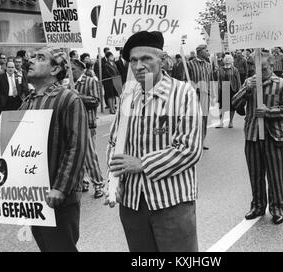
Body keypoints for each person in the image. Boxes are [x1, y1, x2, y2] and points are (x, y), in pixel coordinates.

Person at [105, 31, 203, 252]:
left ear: (163, 60)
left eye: (146, 58)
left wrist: (142, 164)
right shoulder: (128, 95)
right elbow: (113, 143)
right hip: (132, 203)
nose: (139, 66)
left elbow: (190, 149)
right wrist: (112, 180)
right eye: (133, 60)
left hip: (171, 202)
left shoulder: (183, 93)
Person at [19, 47, 88, 252]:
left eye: (40, 58)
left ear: (55, 69)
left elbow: (76, 146)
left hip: (58, 197)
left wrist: (61, 187)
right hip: (34, 197)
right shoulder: (27, 102)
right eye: (32, 57)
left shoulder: (68, 98)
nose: (30, 61)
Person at [232, 54, 283, 225]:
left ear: (272, 66)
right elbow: (235, 104)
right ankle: (258, 205)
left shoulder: (282, 84)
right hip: (252, 135)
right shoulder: (249, 82)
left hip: (274, 135)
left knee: (275, 175)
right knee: (255, 174)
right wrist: (247, 91)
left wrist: (269, 112)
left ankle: (277, 208)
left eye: (264, 69)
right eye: (256, 69)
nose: (260, 72)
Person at [71, 58, 104, 199]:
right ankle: (83, 182)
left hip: (87, 124)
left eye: (72, 69)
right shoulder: (67, 84)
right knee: (76, 156)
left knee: (90, 157)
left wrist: (78, 96)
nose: (69, 72)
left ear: (80, 69)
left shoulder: (90, 81)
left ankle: (98, 185)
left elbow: (96, 101)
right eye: (68, 69)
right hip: (72, 124)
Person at [185, 44, 214, 150]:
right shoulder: (190, 64)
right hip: (193, 96)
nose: (208, 52)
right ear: (200, 52)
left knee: (204, 118)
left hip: (205, 95)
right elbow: (185, 80)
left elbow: (211, 80)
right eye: (206, 50)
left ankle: (202, 141)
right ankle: (192, 141)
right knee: (193, 118)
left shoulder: (208, 65)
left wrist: (212, 93)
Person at [215, 54, 241, 129]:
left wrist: (239, 90)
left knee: (232, 106)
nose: (227, 62)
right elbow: (218, 79)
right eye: (226, 60)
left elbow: (238, 80)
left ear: (231, 61)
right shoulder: (220, 69)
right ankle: (221, 122)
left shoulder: (234, 69)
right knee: (222, 106)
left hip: (232, 89)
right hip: (223, 89)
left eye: (228, 60)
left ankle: (231, 122)